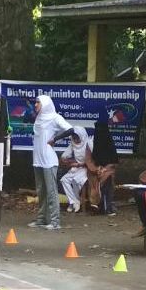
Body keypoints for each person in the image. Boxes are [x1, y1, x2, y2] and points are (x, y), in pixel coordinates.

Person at [30, 95, 73, 230]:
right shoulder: (39, 118)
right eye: (35, 102)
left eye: (38, 102)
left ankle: (55, 221)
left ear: (46, 104)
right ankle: (42, 219)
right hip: (37, 160)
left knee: (51, 191)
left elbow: (70, 129)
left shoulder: (55, 117)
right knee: (41, 191)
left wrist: (55, 139)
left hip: (49, 160)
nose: (35, 105)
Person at [86, 120, 119, 215]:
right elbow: (90, 160)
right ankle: (96, 204)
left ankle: (106, 207)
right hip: (94, 170)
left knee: (108, 178)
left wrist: (105, 169)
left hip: (108, 169)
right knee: (94, 180)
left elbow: (114, 161)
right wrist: (98, 169)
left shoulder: (109, 144)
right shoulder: (91, 143)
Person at [59, 126, 90, 213]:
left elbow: (92, 161)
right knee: (64, 180)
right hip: (76, 168)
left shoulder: (89, 144)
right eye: (74, 137)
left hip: (86, 169)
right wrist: (65, 159)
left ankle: (73, 202)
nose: (75, 139)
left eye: (77, 137)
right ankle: (74, 202)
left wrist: (79, 164)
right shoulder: (73, 143)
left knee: (76, 181)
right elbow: (65, 155)